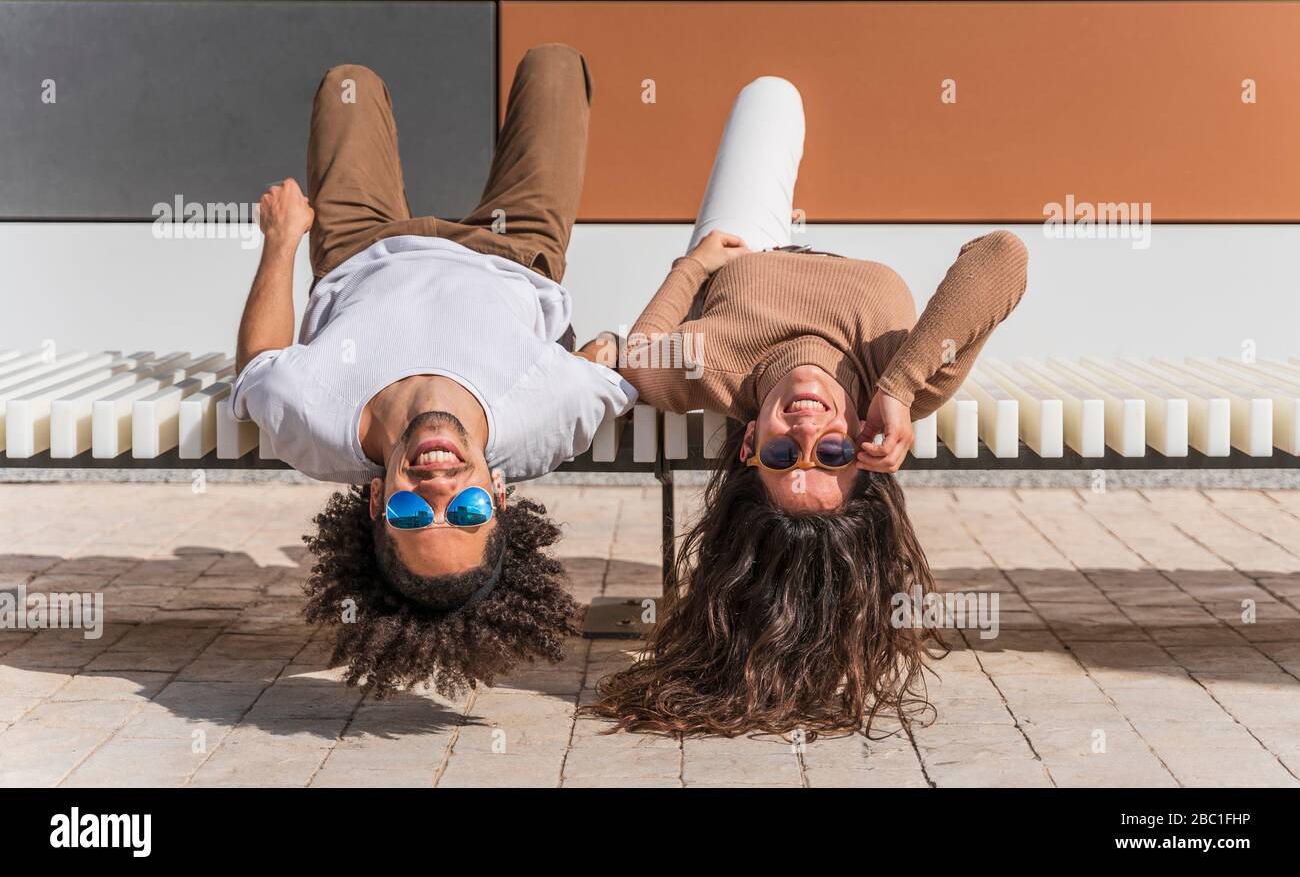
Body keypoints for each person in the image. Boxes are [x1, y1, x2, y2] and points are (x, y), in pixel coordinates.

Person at [585, 76, 1028, 737]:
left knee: (771, 91)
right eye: (832, 453)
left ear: (747, 445)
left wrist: (695, 265)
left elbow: (639, 349)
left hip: (749, 245)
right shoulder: (900, 382)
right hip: (859, 311)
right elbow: (1001, 255)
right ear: (863, 447)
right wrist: (901, 389)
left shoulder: (708, 368)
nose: (806, 428)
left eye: (782, 453)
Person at [231, 45, 635, 697]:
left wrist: (281, 241)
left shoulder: (315, 422)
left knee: (348, 82)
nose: (440, 487)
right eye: (469, 509)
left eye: (413, 514)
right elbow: (606, 364)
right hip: (514, 248)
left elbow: (258, 367)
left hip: (361, 247)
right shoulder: (546, 420)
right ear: (500, 497)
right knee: (554, 66)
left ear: (375, 501)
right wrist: (600, 349)